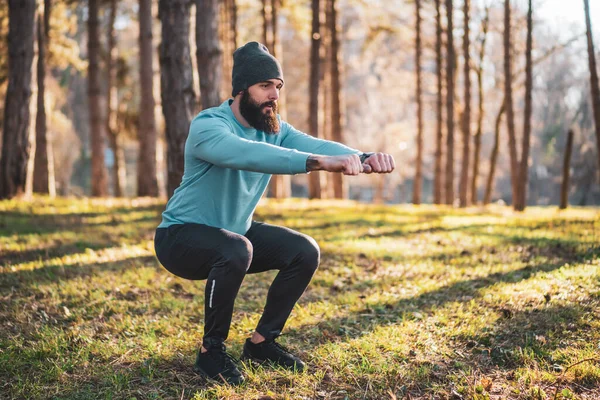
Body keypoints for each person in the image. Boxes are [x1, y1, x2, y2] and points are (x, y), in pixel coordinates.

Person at [154, 41, 395, 385]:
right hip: (179, 238)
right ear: (241, 89)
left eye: (277, 87)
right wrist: (316, 164)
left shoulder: (274, 129)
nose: (274, 96)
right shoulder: (208, 125)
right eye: (265, 86)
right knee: (237, 248)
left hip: (236, 233)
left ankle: (262, 343)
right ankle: (211, 352)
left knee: (304, 250)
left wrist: (364, 155)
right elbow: (248, 154)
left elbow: (316, 144)